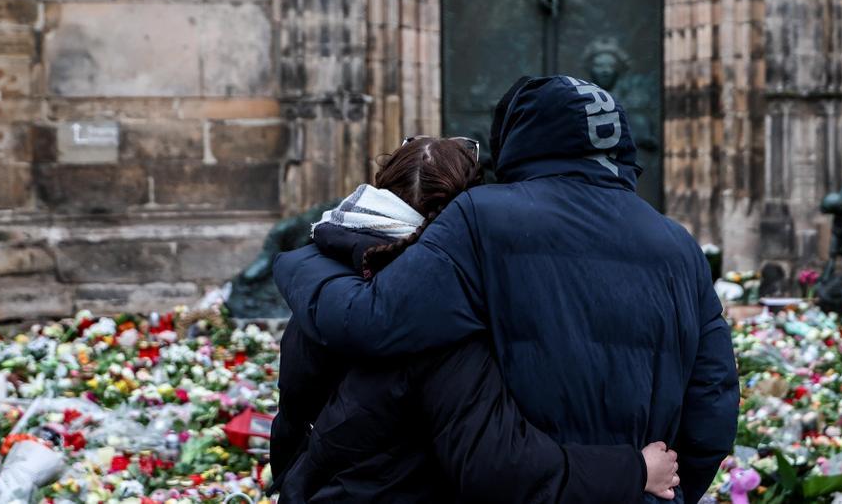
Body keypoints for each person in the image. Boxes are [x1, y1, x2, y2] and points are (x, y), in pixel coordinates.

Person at [275, 75, 739, 503]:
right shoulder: (679, 243)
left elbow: (376, 318)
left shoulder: (482, 216)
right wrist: (661, 487)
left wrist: (304, 260)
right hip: (637, 483)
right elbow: (714, 403)